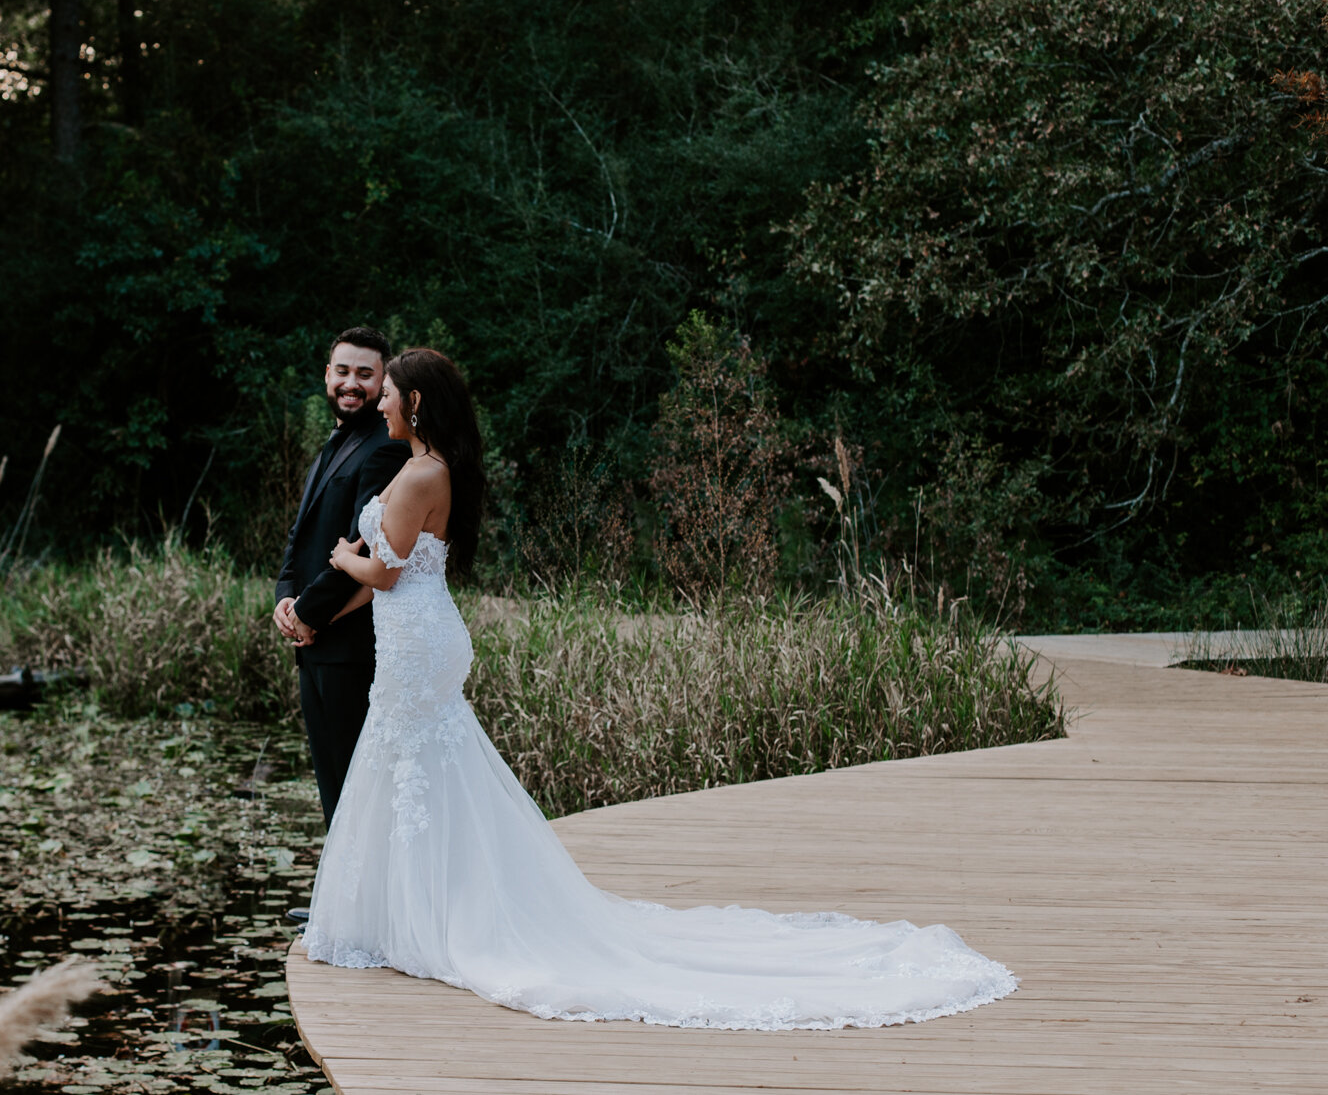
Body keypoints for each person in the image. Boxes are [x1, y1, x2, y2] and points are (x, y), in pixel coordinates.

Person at [302, 347, 1018, 1030]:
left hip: (418, 636)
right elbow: (392, 574)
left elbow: (389, 572)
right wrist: (328, 596)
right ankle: (421, 911)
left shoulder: (424, 474)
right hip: (415, 633)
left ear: (415, 400)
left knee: (423, 760)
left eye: (391, 390)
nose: (383, 400)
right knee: (427, 765)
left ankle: (434, 918)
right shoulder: (425, 465)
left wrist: (342, 557)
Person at [274, 327, 414, 841]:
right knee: (333, 782)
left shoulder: (385, 450)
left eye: (365, 374)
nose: (351, 383)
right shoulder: (336, 443)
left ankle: (356, 910)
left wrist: (310, 616)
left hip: (351, 644)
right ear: (327, 375)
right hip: (312, 637)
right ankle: (338, 906)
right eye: (343, 371)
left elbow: (360, 549)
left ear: (383, 383)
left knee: (356, 784)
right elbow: (300, 538)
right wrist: (285, 598)